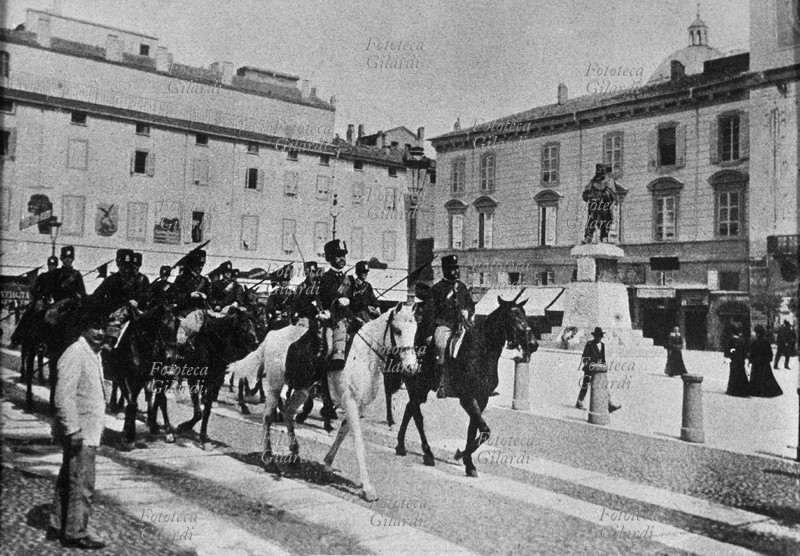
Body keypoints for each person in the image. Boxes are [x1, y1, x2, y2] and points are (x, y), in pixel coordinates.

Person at [50, 311, 108, 549]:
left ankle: (58, 523)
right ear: (83, 328)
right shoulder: (76, 352)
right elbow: (63, 396)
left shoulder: (94, 353)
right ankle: (76, 532)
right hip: (80, 431)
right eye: (95, 327)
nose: (100, 333)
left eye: (103, 328)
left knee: (69, 478)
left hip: (87, 430)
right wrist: (73, 429)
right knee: (83, 483)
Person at [421, 254, 475, 398]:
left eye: (456, 268)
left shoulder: (462, 287)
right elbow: (430, 313)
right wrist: (429, 333)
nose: (456, 272)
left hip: (461, 325)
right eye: (452, 269)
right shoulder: (437, 289)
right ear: (445, 270)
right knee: (441, 345)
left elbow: (471, 305)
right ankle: (442, 383)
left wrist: (468, 312)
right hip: (444, 325)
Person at [317, 240, 355, 370]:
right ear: (330, 258)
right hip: (332, 321)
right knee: (328, 351)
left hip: (350, 320)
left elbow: (357, 300)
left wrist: (350, 301)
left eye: (343, 255)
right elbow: (325, 299)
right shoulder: (325, 278)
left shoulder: (349, 280)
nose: (342, 259)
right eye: (338, 256)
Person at [10, 256, 59, 346]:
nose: (52, 267)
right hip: (42, 302)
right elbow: (34, 289)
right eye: (50, 265)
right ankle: (16, 339)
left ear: (57, 265)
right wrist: (40, 298)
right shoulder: (43, 276)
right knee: (27, 315)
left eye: (54, 265)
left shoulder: (60, 277)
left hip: (56, 303)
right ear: (48, 265)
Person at [575, 327, 622, 412]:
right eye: (598, 336)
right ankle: (579, 402)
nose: (599, 338)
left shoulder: (603, 345)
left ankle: (610, 404)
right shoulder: (589, 344)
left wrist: (604, 366)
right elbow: (585, 356)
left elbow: (602, 357)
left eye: (601, 336)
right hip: (590, 368)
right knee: (585, 385)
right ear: (595, 336)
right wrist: (589, 363)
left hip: (599, 369)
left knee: (604, 385)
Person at [582, 164, 617, 244]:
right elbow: (585, 194)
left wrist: (603, 197)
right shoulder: (592, 182)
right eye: (597, 171)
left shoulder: (608, 181)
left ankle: (604, 236)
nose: (598, 173)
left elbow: (612, 194)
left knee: (605, 221)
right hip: (594, 206)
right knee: (591, 221)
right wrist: (591, 197)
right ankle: (588, 236)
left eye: (600, 171)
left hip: (604, 206)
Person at [170, 250, 211, 314]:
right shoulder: (182, 279)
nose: (200, 267)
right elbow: (174, 297)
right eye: (198, 264)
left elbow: (211, 299)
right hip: (184, 312)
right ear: (193, 264)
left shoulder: (204, 280)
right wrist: (190, 295)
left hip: (201, 313)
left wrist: (205, 296)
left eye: (202, 265)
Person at [749, 324, 783, 398]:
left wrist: (751, 360)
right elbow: (770, 354)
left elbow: (752, 353)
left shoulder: (754, 343)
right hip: (764, 363)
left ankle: (756, 391)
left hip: (756, 363)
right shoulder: (766, 342)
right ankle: (766, 391)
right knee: (766, 377)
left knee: (756, 377)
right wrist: (768, 360)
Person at [723, 322, 750, 397]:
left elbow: (729, 349)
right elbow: (745, 350)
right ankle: (744, 389)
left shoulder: (731, 340)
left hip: (734, 358)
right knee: (741, 372)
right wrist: (745, 357)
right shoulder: (742, 340)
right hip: (740, 359)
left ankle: (732, 389)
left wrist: (727, 356)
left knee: (733, 373)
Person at [351, 260, 381, 325]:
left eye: (366, 272)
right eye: (363, 272)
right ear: (357, 273)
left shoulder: (368, 286)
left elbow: (373, 299)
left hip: (367, 314)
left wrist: (377, 307)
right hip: (356, 315)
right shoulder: (352, 284)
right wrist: (366, 308)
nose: (365, 274)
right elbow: (353, 303)